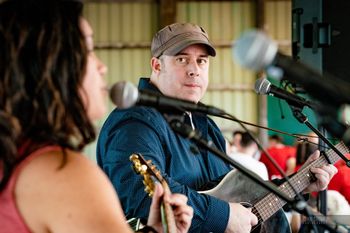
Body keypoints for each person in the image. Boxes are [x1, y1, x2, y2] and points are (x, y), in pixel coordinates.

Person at [97, 22, 337, 233]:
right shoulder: (135, 121)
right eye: (182, 59)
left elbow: (230, 195)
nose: (194, 69)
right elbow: (143, 194)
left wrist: (296, 184)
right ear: (156, 65)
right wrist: (222, 216)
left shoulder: (206, 124)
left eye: (201, 61)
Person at [0, 1, 193, 233]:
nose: (102, 67)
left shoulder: (14, 160)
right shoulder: (63, 173)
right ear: (51, 66)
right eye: (89, 51)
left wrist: (153, 230)